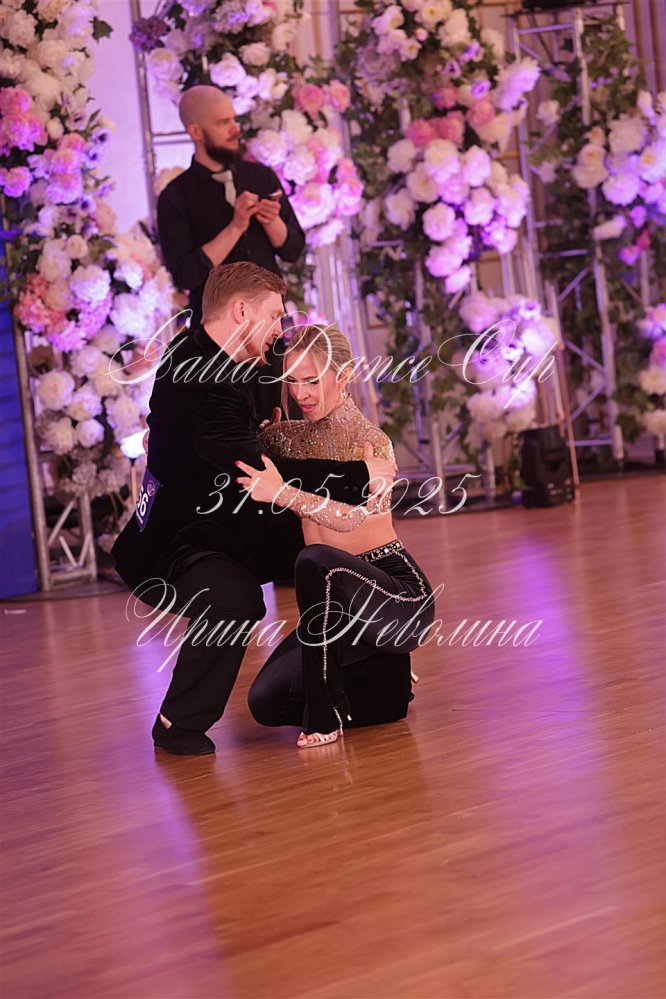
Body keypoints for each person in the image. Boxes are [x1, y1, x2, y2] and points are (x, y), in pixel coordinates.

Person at [111, 263, 397, 756]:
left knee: (334, 546)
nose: (278, 328)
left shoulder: (203, 348)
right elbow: (262, 470)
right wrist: (358, 477)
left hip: (225, 519)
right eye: (274, 315)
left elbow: (239, 439)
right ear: (241, 311)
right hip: (179, 544)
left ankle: (376, 671)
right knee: (236, 600)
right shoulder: (205, 383)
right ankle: (177, 723)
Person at [237, 325, 435, 749]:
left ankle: (324, 719)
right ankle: (385, 675)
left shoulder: (372, 444)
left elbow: (351, 520)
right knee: (265, 703)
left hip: (398, 597)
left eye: (312, 380)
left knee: (315, 560)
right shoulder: (288, 439)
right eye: (292, 381)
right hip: (336, 612)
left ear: (343, 377)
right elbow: (232, 448)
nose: (301, 393)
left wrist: (283, 493)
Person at [157, 84, 305, 417]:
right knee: (228, 422)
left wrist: (272, 223)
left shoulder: (261, 176)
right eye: (223, 122)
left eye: (234, 120)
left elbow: (294, 249)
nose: (235, 129)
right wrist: (235, 226)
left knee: (282, 421)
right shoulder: (175, 197)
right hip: (216, 346)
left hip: (269, 334)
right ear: (196, 132)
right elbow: (186, 274)